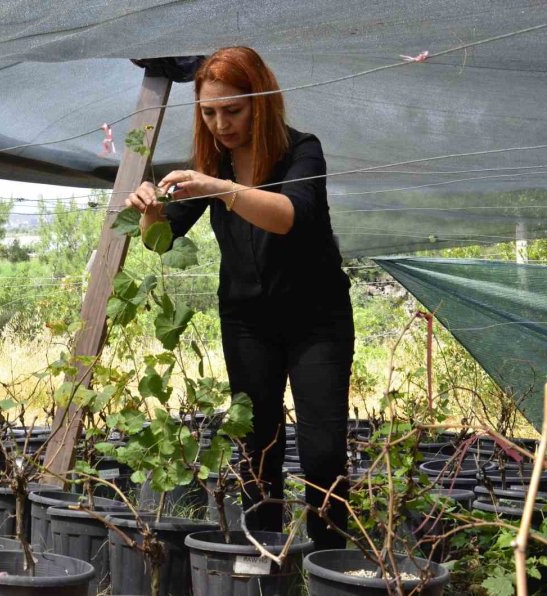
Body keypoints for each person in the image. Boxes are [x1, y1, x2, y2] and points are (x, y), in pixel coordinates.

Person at [125, 47, 353, 550]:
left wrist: (220, 187)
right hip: (248, 321)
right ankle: (262, 556)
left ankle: (330, 564)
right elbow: (159, 240)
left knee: (322, 452)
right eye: (209, 112)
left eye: (233, 110)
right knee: (257, 446)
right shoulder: (213, 165)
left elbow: (290, 214)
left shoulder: (301, 151)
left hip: (317, 321)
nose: (221, 124)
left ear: (261, 102)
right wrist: (149, 209)